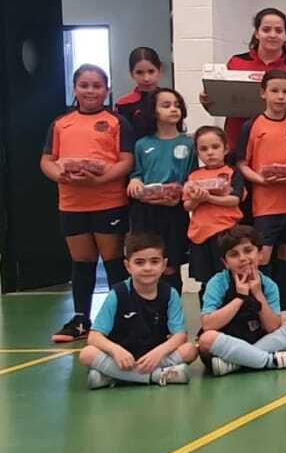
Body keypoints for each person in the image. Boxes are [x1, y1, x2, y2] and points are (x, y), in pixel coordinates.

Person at [43, 63, 134, 343]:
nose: (90, 91)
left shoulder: (118, 122)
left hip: (108, 201)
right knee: (81, 262)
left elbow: (127, 160)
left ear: (106, 90)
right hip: (72, 203)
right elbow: (47, 159)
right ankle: (82, 318)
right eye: (84, 85)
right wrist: (60, 173)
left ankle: (122, 318)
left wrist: (100, 178)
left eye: (97, 86)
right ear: (75, 88)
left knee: (113, 261)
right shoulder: (61, 123)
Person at [79, 232, 198, 388]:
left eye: (154, 261)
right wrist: (116, 351)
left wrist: (159, 352)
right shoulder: (117, 294)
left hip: (153, 358)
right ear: (128, 266)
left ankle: (113, 376)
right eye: (140, 262)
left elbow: (180, 336)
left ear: (163, 264)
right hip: (122, 359)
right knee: (87, 354)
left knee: (190, 350)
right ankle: (157, 376)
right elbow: (94, 337)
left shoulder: (170, 294)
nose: (147, 268)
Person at [236, 69, 286, 307]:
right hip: (267, 204)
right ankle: (261, 306)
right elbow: (241, 164)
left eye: (285, 92)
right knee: (262, 256)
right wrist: (260, 179)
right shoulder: (253, 125)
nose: (280, 96)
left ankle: (283, 308)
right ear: (263, 93)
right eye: (274, 91)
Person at [196, 225, 286, 375]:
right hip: (226, 344)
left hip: (257, 340)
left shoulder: (269, 285)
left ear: (260, 254)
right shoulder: (217, 283)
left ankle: (238, 363)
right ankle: (270, 361)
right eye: (234, 254)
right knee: (206, 339)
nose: (243, 258)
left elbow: (272, 327)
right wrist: (240, 297)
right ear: (225, 263)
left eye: (248, 251)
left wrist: (258, 293)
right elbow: (208, 324)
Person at [125, 87, 194, 291]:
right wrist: (135, 181)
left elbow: (192, 177)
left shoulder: (189, 144)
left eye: (177, 105)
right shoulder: (142, 144)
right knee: (147, 263)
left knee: (170, 266)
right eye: (166, 105)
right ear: (153, 112)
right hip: (146, 212)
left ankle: (173, 317)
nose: (173, 109)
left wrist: (180, 193)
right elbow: (136, 173)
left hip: (174, 212)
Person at [213, 7, 286, 151]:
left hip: (281, 146)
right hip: (238, 143)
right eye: (266, 30)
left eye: (279, 30)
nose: (272, 35)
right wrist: (208, 99)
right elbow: (219, 103)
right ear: (256, 34)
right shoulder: (236, 62)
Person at [183, 125, 245, 288]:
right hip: (200, 235)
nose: (210, 152)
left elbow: (234, 200)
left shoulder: (233, 172)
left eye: (215, 147)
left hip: (226, 233)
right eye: (204, 149)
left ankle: (232, 311)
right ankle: (208, 312)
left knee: (230, 278)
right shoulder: (194, 176)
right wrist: (197, 199)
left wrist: (208, 197)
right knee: (206, 282)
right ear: (197, 153)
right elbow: (187, 206)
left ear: (225, 149)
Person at [116, 46, 165, 140]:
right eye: (139, 72)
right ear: (131, 74)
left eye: (151, 71)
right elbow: (122, 139)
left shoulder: (169, 100)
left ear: (159, 70)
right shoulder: (123, 104)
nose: (146, 78)